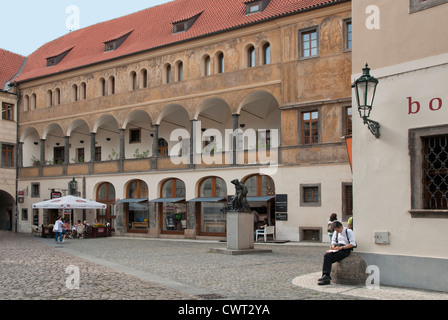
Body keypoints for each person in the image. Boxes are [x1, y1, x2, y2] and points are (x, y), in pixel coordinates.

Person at [318, 220, 356, 285]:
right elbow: (333, 241)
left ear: (341, 227)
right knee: (326, 255)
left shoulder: (349, 231)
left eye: (338, 230)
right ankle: (325, 276)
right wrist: (333, 246)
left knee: (328, 259)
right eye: (336, 230)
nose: (337, 231)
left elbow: (353, 244)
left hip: (345, 249)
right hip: (337, 248)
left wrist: (342, 248)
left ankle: (326, 277)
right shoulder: (336, 232)